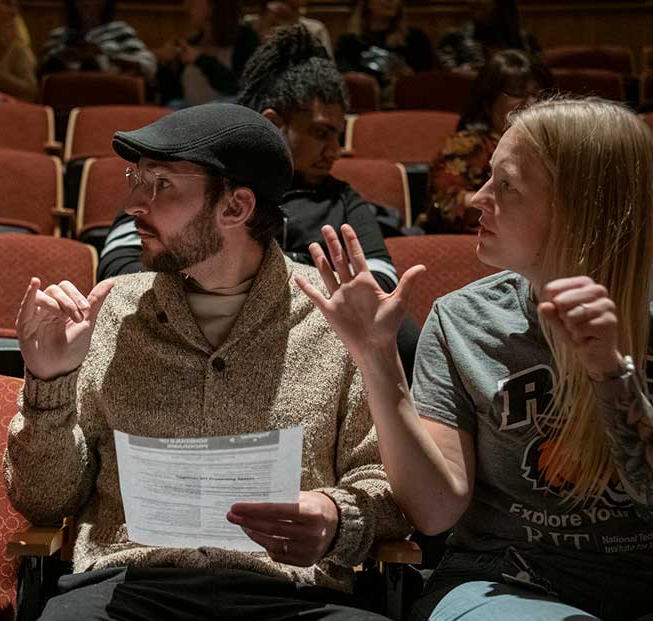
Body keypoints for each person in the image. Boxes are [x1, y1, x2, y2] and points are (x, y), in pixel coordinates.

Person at [298, 96, 653, 621]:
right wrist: (376, 355)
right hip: (502, 585)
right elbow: (433, 512)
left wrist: (611, 374)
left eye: (504, 186)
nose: (476, 200)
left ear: (581, 206)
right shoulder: (461, 319)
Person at [0, 102, 460, 621]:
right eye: (135, 181)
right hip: (133, 588)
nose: (134, 204)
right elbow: (42, 502)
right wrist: (49, 382)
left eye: (161, 184)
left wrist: (337, 518)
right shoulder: (111, 309)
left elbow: (388, 486)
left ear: (236, 206)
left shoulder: (334, 316)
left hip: (290, 596)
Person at [102, 24, 420, 374]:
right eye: (320, 132)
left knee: (402, 334)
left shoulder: (341, 198)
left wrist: (264, 269)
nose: (335, 150)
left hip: (304, 344)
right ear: (275, 124)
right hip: (176, 340)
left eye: (338, 134)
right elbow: (117, 271)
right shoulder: (190, 179)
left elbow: (375, 288)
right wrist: (220, 281)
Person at [419, 49, 552, 233]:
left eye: (539, 94)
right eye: (518, 93)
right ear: (489, 98)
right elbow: (446, 204)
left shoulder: (551, 147)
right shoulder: (468, 144)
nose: (532, 103)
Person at [153, 0, 258, 107]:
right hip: (191, 116)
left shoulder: (245, 39)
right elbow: (171, 95)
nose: (186, 7)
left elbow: (237, 87)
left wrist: (200, 60)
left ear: (214, 5)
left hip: (229, 116)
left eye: (192, 2)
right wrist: (167, 64)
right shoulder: (192, 43)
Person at [335, 0, 433, 109]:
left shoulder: (416, 39)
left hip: (408, 108)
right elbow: (343, 77)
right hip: (364, 110)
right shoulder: (349, 42)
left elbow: (429, 79)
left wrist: (410, 78)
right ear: (366, 3)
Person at [39, 0, 156, 80]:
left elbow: (148, 65)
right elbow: (40, 73)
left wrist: (104, 54)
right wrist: (67, 56)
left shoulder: (120, 30)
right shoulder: (60, 35)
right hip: (65, 98)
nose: (88, 3)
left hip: (109, 97)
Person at [435, 0, 540, 74]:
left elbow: (536, 73)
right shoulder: (454, 40)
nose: (473, 1)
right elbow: (448, 78)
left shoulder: (523, 39)